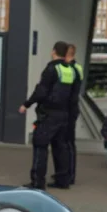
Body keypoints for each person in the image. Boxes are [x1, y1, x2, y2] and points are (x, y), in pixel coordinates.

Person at [19, 41, 75, 190]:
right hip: (64, 114)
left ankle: (37, 182)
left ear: (54, 51)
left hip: (49, 114)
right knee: (60, 147)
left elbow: (41, 91)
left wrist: (27, 104)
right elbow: (73, 95)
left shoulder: (51, 69)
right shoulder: (70, 70)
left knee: (40, 145)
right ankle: (62, 180)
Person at [64, 43, 84, 185]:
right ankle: (67, 172)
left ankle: (69, 174)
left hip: (69, 109)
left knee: (68, 142)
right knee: (67, 142)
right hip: (71, 108)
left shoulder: (72, 69)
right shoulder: (78, 68)